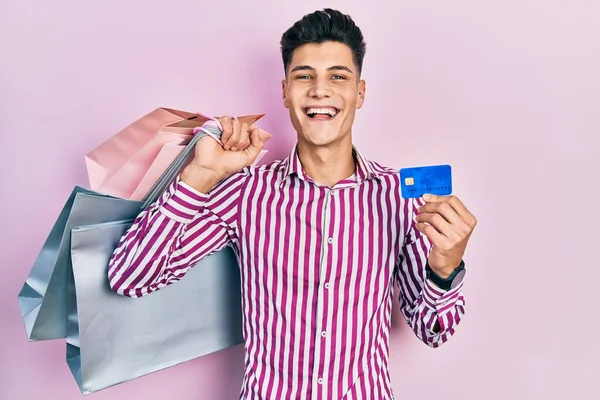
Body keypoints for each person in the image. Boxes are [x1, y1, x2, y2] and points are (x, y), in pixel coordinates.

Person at [107, 8, 477, 400]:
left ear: (360, 93)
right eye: (305, 76)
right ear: (285, 91)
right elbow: (130, 278)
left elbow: (434, 329)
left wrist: (445, 268)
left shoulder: (400, 199)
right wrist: (200, 176)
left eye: (338, 76)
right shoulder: (245, 194)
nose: (320, 90)